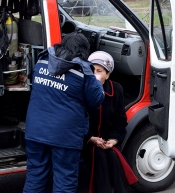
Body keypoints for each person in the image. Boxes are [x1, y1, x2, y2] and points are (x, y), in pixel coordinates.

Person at [23, 32, 105, 193]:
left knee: (35, 176)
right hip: (65, 136)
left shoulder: (42, 60)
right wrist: (97, 81)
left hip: (35, 130)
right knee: (64, 181)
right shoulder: (84, 70)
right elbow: (96, 100)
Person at [83, 51, 138, 193]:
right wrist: (90, 138)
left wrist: (113, 139)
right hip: (87, 139)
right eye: (92, 70)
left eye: (99, 71)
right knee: (99, 156)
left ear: (107, 75)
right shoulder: (82, 88)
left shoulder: (116, 89)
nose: (95, 73)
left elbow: (120, 119)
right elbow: (78, 119)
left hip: (107, 139)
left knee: (113, 156)